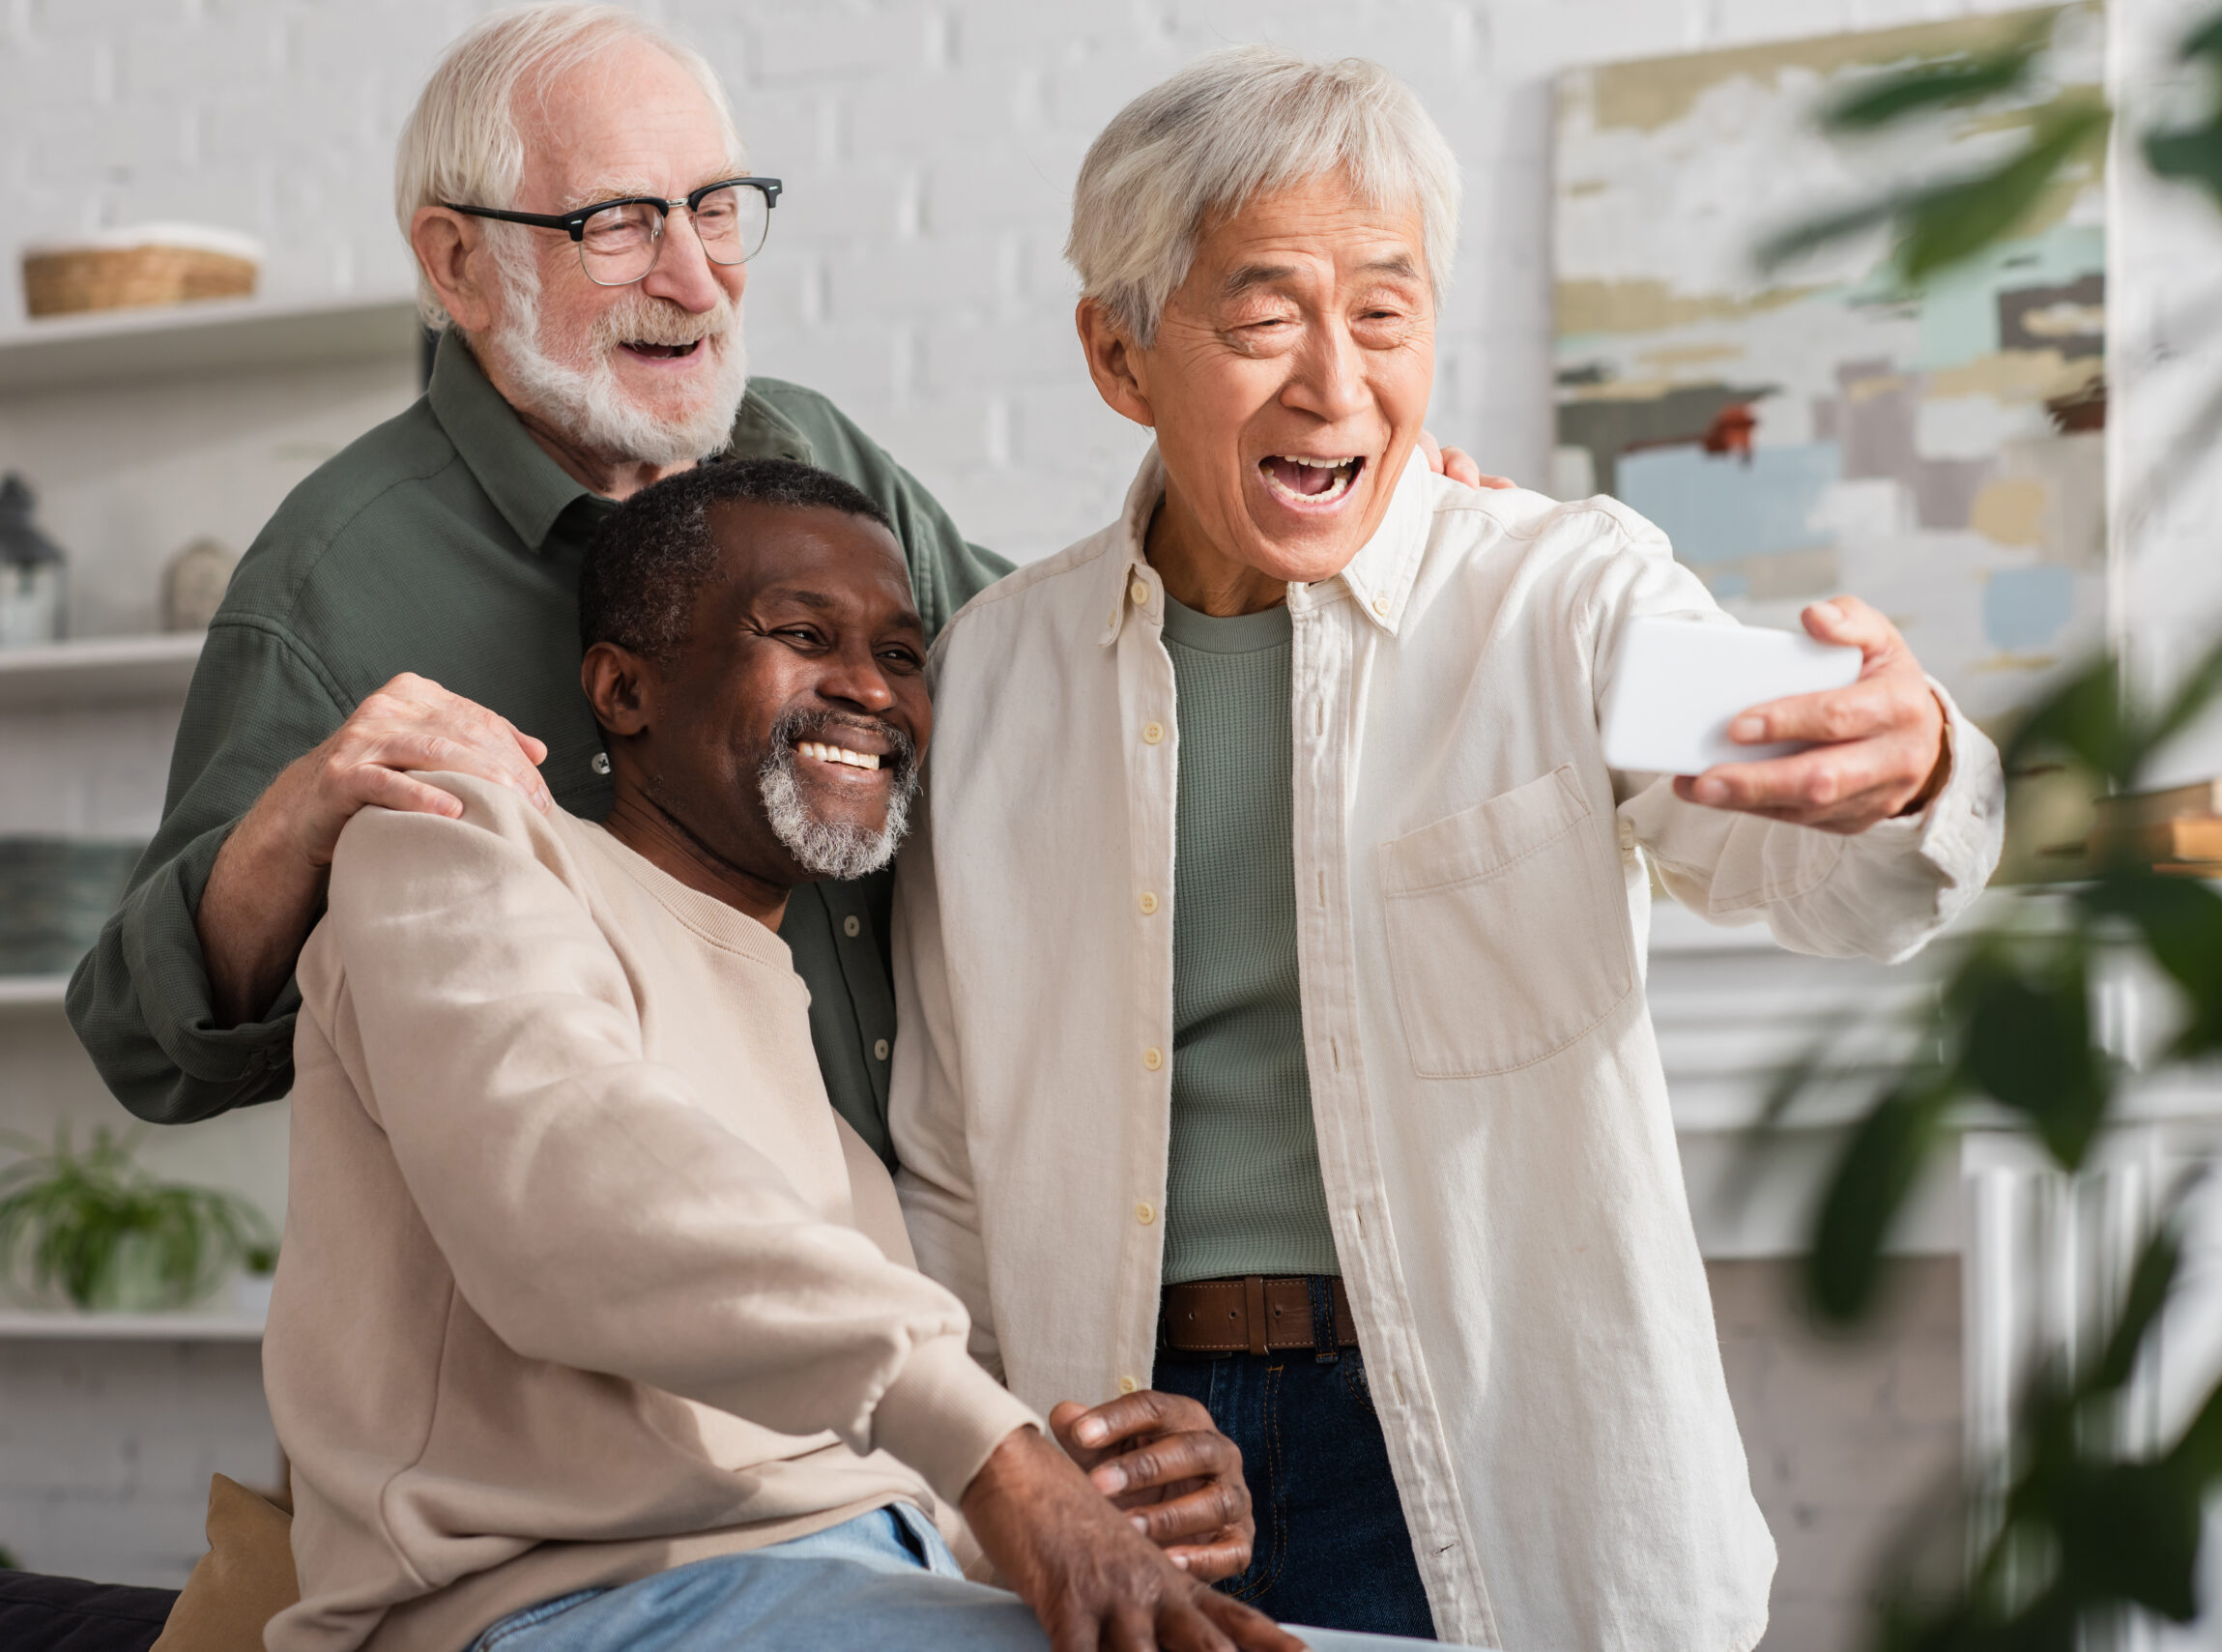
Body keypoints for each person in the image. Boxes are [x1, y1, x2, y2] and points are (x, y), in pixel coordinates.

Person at [890, 47, 2006, 1652]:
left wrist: (1906, 769)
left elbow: (1827, 847)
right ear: (1120, 355)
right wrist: (996, 1475)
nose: (1335, 382)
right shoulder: (996, 670)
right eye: (1266, 316)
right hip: (1132, 1450)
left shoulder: (1564, 600)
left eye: (1387, 313)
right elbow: (948, 1152)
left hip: (1478, 1438)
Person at [58, 2, 1503, 1167]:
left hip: (926, 1268)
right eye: (618, 224)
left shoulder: (805, 447)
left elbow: (1062, 674)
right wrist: (298, 818)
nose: (695, 278)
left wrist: (1342, 507)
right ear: (458, 258)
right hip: (611, 1368)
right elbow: (140, 1042)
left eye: (718, 210)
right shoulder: (331, 578)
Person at [270, 457, 1444, 1652]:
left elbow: (864, 1486)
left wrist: (1106, 1509)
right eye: (802, 632)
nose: (871, 691)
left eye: (901, 653)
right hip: (550, 1613)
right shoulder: (457, 851)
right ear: (623, 690)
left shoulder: (836, 1133)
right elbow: (575, 1191)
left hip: (860, 1590)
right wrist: (999, 1459)